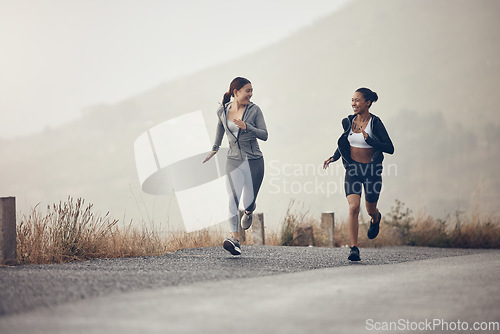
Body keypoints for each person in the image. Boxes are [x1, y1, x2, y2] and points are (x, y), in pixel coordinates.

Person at [323, 88, 394, 261]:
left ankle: (375, 218)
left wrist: (370, 140)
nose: (353, 103)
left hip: (372, 171)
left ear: (368, 103)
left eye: (357, 100)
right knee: (354, 207)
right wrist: (335, 156)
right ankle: (353, 248)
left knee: (370, 209)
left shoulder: (376, 123)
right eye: (352, 100)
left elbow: (390, 148)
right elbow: (345, 141)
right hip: (353, 170)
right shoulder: (349, 121)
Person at [203, 77, 268, 256]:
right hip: (233, 160)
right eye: (247, 90)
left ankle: (248, 211)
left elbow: (264, 135)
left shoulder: (255, 111)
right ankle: (234, 239)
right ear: (236, 92)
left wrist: (247, 127)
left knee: (248, 200)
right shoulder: (222, 111)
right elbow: (220, 128)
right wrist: (215, 149)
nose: (251, 94)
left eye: (251, 90)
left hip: (254, 160)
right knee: (232, 197)